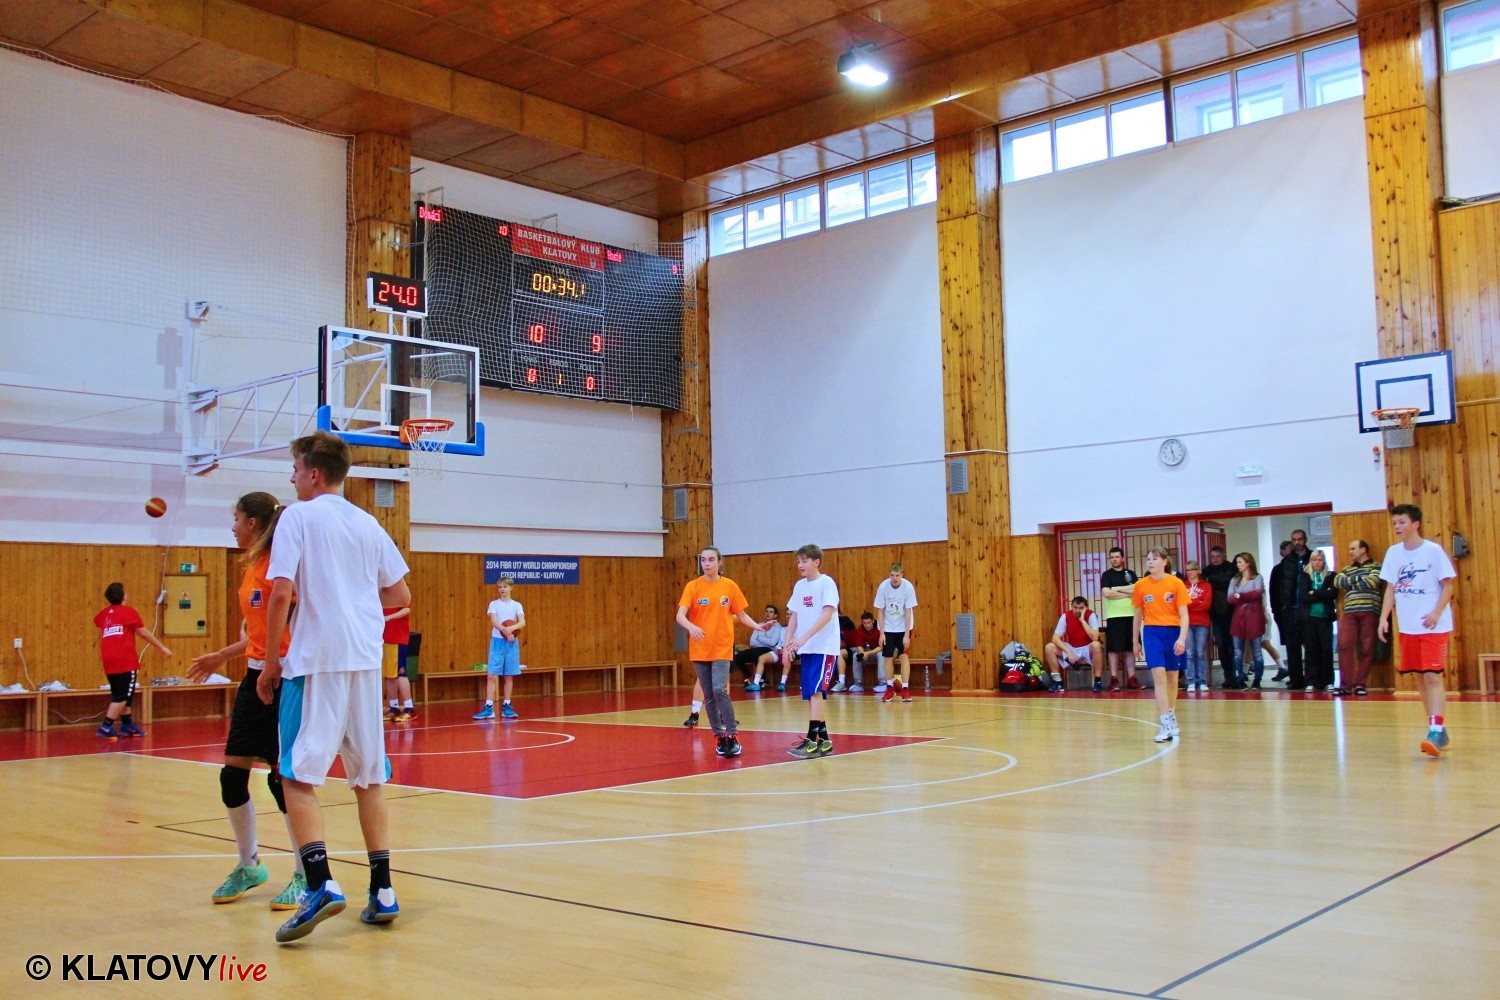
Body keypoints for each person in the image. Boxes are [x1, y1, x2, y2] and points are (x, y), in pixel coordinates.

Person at [257, 430, 411, 942]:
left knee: (295, 775)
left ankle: (320, 883)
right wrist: (352, 601)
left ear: (313, 473)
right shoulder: (368, 523)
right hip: (364, 660)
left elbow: (281, 592)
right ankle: (383, 890)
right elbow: (400, 593)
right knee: (369, 777)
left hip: (316, 660)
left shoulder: (297, 517)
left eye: (294, 469)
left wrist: (271, 661)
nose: (292, 478)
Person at [187, 491, 304, 909]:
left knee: (281, 779)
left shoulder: (283, 568)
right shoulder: (253, 567)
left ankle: (305, 874)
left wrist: (277, 663)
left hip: (285, 679)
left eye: (236, 518)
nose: (232, 526)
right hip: (255, 676)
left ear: (253, 523)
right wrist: (222, 654)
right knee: (232, 777)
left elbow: (292, 625)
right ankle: (249, 864)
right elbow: (260, 632)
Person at [1378, 504, 1457, 758]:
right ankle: (1436, 727)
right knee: (1421, 678)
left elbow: (1448, 586)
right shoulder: (1393, 553)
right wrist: (1383, 618)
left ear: (1415, 524)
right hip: (1408, 626)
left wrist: (1435, 613)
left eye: (1402, 522)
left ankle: (1435, 729)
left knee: (1433, 677)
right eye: (1395, 523)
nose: (1397, 527)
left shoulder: (1433, 551)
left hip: (1433, 626)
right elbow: (1390, 589)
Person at [675, 546, 769, 758]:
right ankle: (719, 737)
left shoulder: (729, 586)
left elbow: (741, 615)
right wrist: (691, 627)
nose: (707, 563)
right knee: (708, 694)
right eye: (703, 560)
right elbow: (680, 615)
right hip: (700, 648)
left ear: (719, 562)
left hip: (722, 647)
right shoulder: (693, 586)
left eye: (711, 559)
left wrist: (758, 626)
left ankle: (733, 735)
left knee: (719, 689)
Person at [93, 582, 171, 740]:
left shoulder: (103, 614)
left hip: (109, 660)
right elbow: (144, 633)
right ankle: (106, 726)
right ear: (123, 596)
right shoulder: (128, 612)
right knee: (122, 696)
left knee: (122, 693)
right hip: (125, 660)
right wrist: (162, 647)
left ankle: (127, 725)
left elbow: (98, 621)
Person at [785, 544, 840, 758]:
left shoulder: (827, 583)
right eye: (798, 561)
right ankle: (824, 742)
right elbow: (794, 616)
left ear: (816, 562)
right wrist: (787, 644)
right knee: (811, 694)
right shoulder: (800, 586)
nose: (800, 565)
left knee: (816, 693)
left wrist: (804, 637)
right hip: (806, 649)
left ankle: (811, 741)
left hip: (824, 647)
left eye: (804, 561)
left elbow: (827, 614)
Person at [1132, 547, 1188, 743]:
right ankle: (1164, 723)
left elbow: (1184, 615)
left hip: (1173, 632)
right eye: (1148, 559)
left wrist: (1182, 638)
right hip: (1152, 633)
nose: (1151, 562)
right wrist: (1135, 641)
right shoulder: (1141, 585)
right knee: (1158, 677)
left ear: (1165, 561)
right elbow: (1137, 615)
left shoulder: (1176, 583)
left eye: (1155, 559)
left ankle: (1171, 714)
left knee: (1172, 679)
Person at [1333, 539, 1382, 696]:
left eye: (1353, 548)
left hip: (1370, 610)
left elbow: (1372, 582)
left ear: (1363, 549)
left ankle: (1360, 684)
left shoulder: (1376, 566)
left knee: (1367, 648)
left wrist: (1349, 582)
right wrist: (1360, 580)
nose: (1350, 552)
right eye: (1349, 549)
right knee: (1344, 645)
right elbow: (1338, 581)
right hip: (1350, 611)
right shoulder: (1347, 568)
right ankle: (1345, 685)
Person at [475, 578, 525, 721]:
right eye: (500, 587)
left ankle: (507, 706)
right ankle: (488, 708)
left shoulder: (517, 605)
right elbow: (494, 621)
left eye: (505, 587)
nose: (502, 589)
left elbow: (522, 622)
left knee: (509, 675)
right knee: (491, 675)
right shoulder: (494, 604)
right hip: (498, 641)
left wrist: (512, 630)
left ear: (511, 588)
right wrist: (506, 631)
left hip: (511, 643)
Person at [1098, 547, 1141, 692]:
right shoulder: (1107, 575)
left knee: (1130, 648)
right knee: (1114, 649)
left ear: (1122, 558)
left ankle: (1132, 679)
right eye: (1112, 557)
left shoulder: (1131, 574)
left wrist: (1116, 589)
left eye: (1117, 557)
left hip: (1131, 615)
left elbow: (1137, 590)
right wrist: (1127, 592)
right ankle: (1114, 679)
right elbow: (1106, 593)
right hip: (1114, 617)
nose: (1114, 559)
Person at [1274, 529, 1314, 688]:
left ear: (1305, 539)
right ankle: (1296, 679)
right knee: (1292, 646)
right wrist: (1283, 607)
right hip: (1290, 609)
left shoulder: (1313, 557)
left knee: (1310, 646)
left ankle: (1311, 679)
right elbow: (1281, 586)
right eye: (1294, 540)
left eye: (1300, 539)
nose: (1297, 542)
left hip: (1308, 608)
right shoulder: (1287, 561)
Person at [874, 562, 919, 703]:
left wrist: (906, 635)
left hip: (903, 627)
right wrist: (882, 633)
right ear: (889, 575)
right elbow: (880, 611)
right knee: (887, 657)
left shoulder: (908, 587)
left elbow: (908, 611)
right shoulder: (883, 587)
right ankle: (889, 688)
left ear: (902, 575)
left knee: (903, 656)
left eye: (897, 575)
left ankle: (905, 689)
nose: (894, 578)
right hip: (887, 627)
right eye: (892, 575)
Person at [1297, 550, 1338, 692]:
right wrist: (1323, 593)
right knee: (1311, 649)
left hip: (1325, 617)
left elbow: (1332, 594)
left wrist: (1314, 592)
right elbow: (1303, 596)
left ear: (1324, 561)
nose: (1317, 563)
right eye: (1314, 560)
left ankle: (1328, 681)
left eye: (1320, 560)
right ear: (1311, 561)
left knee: (1326, 649)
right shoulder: (1305, 575)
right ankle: (1311, 681)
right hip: (1309, 618)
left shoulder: (1331, 575)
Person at [1042, 596, 1103, 693]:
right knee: (1049, 647)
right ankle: (1057, 681)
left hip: (1087, 648)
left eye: (1081, 608)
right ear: (1071, 607)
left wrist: (1082, 621)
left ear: (1086, 608)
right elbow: (1055, 638)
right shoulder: (1066, 616)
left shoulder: (1091, 615)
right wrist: (1068, 651)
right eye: (1075, 607)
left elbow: (1095, 637)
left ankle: (1097, 681)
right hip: (1072, 648)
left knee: (1096, 645)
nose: (1078, 610)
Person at [1228, 553, 1268, 689]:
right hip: (1239, 617)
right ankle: (1239, 678)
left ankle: (1257, 679)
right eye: (1237, 562)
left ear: (1248, 563)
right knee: (1238, 652)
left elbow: (1257, 593)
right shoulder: (1235, 580)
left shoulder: (1257, 578)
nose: (1238, 565)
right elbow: (1230, 598)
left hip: (1254, 616)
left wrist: (1239, 595)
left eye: (1240, 562)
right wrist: (1244, 597)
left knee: (1257, 651)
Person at [1201, 546, 1237, 690]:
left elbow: (1228, 579)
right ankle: (1228, 676)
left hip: (1232, 613)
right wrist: (1218, 581)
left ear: (1223, 556)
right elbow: (1205, 583)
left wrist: (1213, 580)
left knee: (1234, 646)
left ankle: (1237, 675)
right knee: (1221, 646)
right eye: (1212, 557)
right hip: (1216, 614)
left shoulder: (1230, 567)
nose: (1215, 559)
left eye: (1218, 556)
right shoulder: (1207, 570)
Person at [1182, 561, 1214, 693]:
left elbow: (1206, 605)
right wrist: (1197, 601)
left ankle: (1202, 681)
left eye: (1193, 569)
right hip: (1186, 622)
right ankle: (1190, 681)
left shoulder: (1206, 585)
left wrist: (1191, 602)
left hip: (1202, 622)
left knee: (1200, 653)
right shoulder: (1182, 585)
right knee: (1189, 653)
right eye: (1188, 570)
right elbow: (1182, 604)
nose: (1190, 572)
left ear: (1198, 571)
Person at [1266, 540, 1294, 682]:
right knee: (1289, 643)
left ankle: (1308, 674)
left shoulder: (1299, 567)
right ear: (1282, 552)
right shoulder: (1277, 569)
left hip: (1297, 611)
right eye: (1288, 550)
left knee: (1303, 642)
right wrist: (1275, 611)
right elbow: (1273, 591)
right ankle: (1293, 674)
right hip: (1282, 612)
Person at [740, 605, 785, 693]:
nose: (768, 613)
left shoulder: (778, 627)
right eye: (767, 611)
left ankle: (762, 679)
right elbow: (752, 642)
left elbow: (772, 643)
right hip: (757, 648)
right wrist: (764, 641)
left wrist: (760, 638)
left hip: (768, 649)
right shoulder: (759, 625)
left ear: (775, 615)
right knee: (738, 657)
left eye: (771, 612)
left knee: (757, 655)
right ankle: (749, 676)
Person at [382, 602, 414, 722]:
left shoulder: (399, 593)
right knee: (389, 675)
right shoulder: (383, 595)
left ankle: (409, 708)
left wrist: (389, 617)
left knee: (401, 674)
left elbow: (407, 609)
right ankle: (394, 707)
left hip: (397, 638)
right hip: (385, 639)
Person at [837, 611, 882, 692]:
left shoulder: (880, 628)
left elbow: (882, 647)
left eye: (869, 623)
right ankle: (858, 684)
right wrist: (862, 653)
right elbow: (860, 645)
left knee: (881, 654)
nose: (867, 625)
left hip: (882, 651)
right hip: (870, 651)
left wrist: (868, 653)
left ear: (873, 621)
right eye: (864, 623)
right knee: (856, 655)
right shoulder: (860, 629)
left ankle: (883, 683)